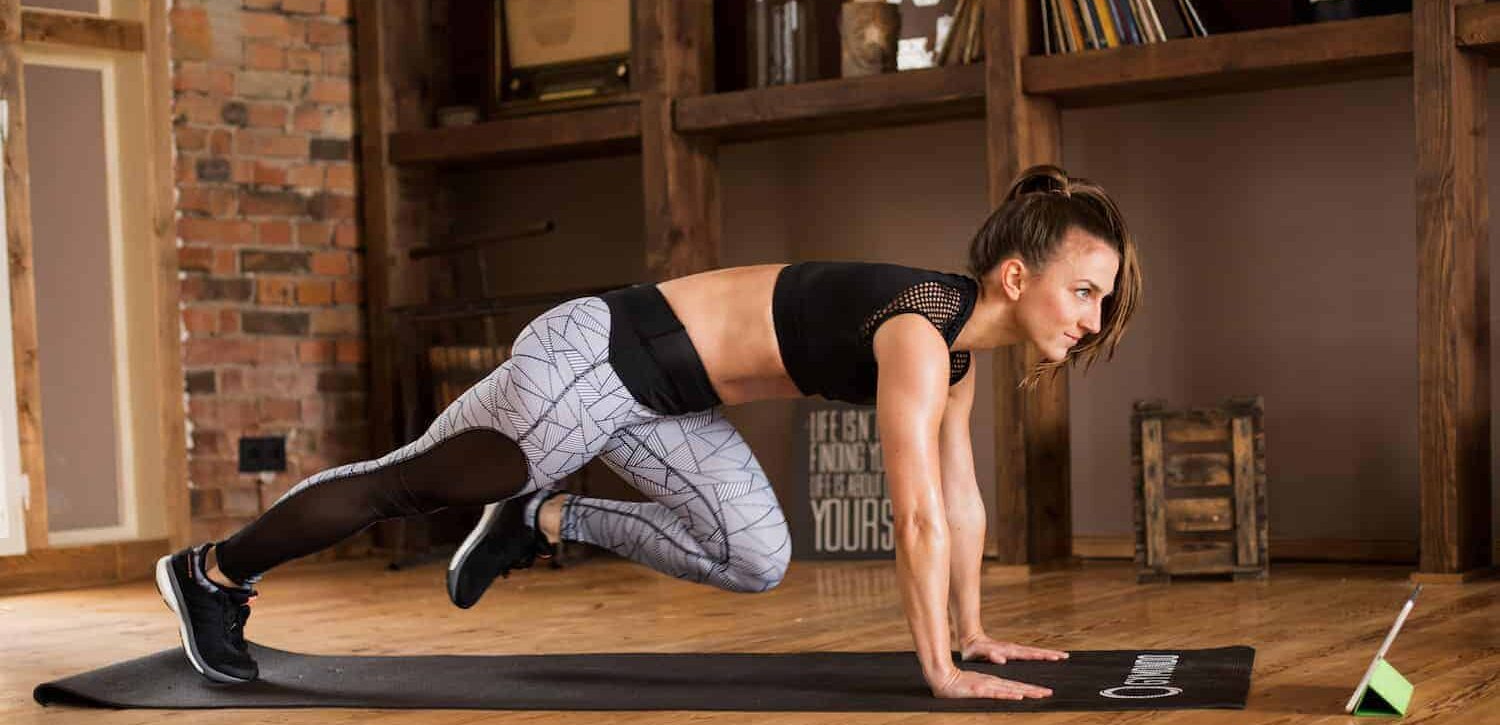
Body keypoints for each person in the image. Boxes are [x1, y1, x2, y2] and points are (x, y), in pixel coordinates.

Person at [154, 164, 1141, 701]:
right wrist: (937, 672)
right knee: (412, 483)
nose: (1091, 319)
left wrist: (973, 634)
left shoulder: (957, 351)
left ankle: (540, 521)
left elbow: (961, 503)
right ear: (1019, 275)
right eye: (1084, 292)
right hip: (598, 357)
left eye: (1101, 301)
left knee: (753, 554)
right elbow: (917, 516)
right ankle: (211, 574)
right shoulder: (920, 333)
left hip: (665, 401)